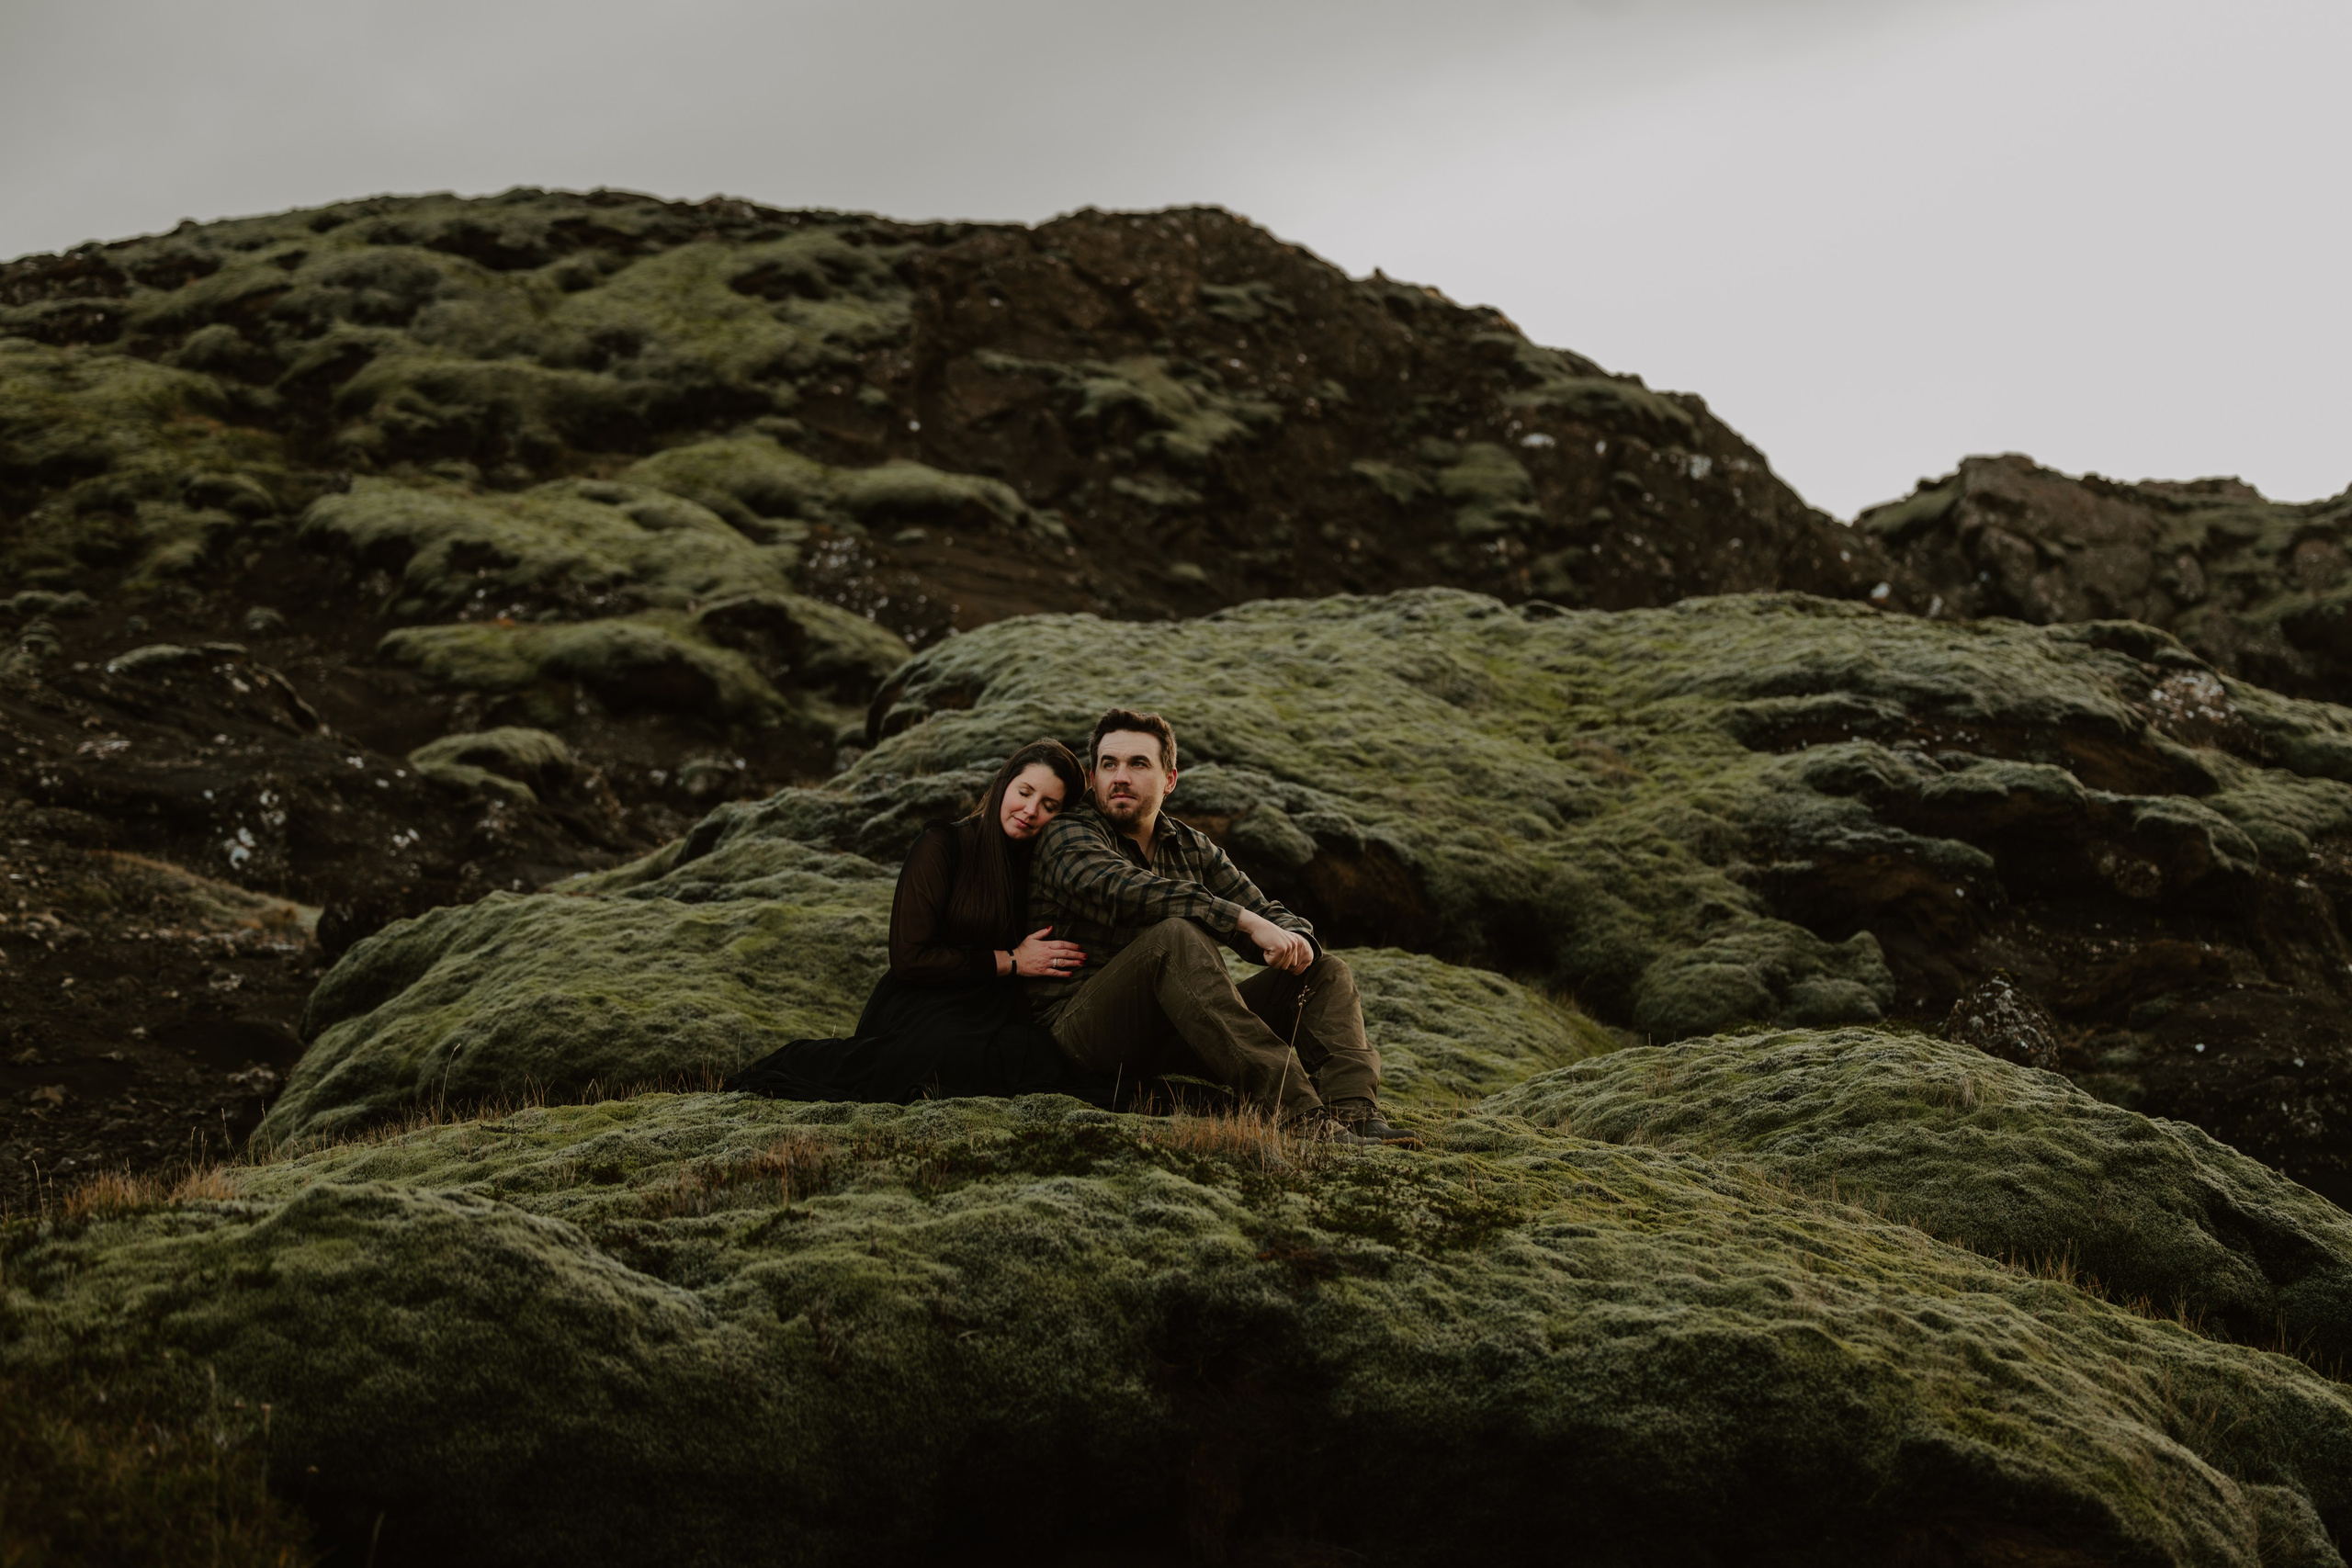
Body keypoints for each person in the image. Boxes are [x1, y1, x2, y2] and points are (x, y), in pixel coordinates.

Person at [1024, 707, 1413, 1145]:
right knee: (1176, 935)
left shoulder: (1190, 846)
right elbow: (1123, 890)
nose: (1120, 776)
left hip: (1181, 1029)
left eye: (1138, 764)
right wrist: (1241, 921)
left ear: (1170, 779)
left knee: (1325, 972)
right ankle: (1300, 1117)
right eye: (1108, 765)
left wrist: (1296, 941)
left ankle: (1356, 1115)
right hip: (1084, 1034)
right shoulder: (1068, 835)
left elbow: (1266, 910)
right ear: (1092, 777)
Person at [727, 739, 1100, 1104]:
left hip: (993, 1008)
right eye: (1024, 791)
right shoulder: (942, 845)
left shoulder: (1044, 866)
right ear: (1004, 784)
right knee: (940, 1059)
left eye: (1049, 805)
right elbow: (909, 959)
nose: (1030, 810)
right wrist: (1014, 960)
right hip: (923, 1000)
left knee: (1035, 1064)